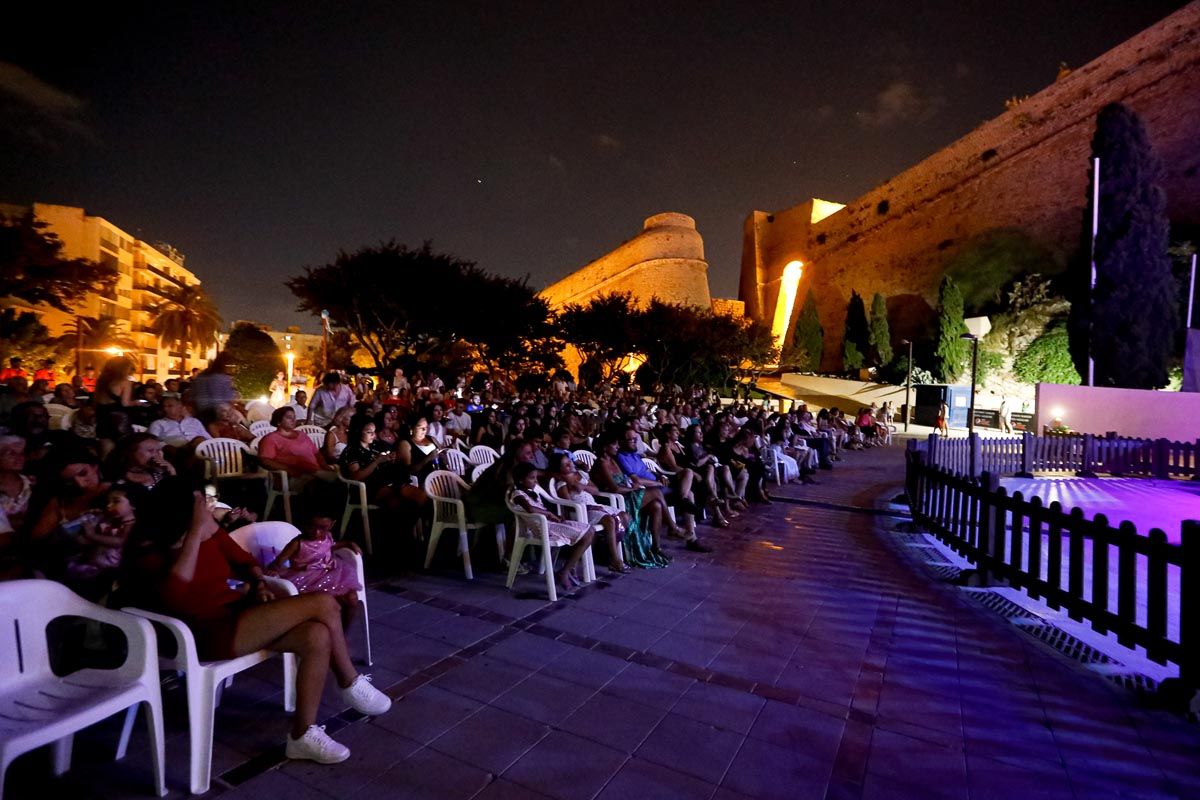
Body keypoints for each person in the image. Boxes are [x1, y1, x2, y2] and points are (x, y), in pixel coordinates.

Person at [123, 482, 390, 764]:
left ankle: (302, 735)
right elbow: (175, 596)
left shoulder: (209, 529)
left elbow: (243, 559)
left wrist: (258, 580)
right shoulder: (148, 545)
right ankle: (349, 681)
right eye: (202, 504)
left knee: (316, 635)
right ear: (181, 513)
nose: (208, 509)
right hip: (198, 633)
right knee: (323, 603)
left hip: (233, 613)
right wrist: (194, 534)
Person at [507, 463, 594, 592]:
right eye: (532, 478)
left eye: (536, 477)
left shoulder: (531, 492)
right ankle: (565, 571)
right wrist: (548, 514)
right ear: (520, 480)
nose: (536, 481)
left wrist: (556, 516)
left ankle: (568, 568)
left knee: (590, 530)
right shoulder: (518, 494)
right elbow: (530, 509)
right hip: (543, 529)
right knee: (586, 534)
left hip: (550, 524)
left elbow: (540, 508)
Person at [265, 511, 362, 626]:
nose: (316, 533)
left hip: (331, 574)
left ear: (331, 525)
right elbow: (277, 562)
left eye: (323, 528)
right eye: (311, 527)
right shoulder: (297, 543)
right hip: (307, 580)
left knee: (352, 598)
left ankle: (344, 633)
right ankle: (325, 631)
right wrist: (274, 569)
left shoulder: (328, 536)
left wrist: (348, 543)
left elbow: (331, 546)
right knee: (327, 604)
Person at [590, 434, 671, 568]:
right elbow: (614, 488)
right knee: (656, 492)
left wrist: (632, 487)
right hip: (616, 500)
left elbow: (623, 480)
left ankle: (657, 547)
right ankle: (672, 527)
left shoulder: (613, 460)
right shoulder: (601, 463)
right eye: (614, 444)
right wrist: (632, 490)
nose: (617, 447)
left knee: (656, 505)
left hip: (626, 494)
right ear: (605, 448)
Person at [551, 453, 628, 574]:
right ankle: (615, 559)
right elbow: (568, 505)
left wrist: (580, 486)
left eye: (569, 462)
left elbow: (596, 491)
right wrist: (572, 487)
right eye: (565, 465)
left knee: (624, 516)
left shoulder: (581, 474)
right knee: (610, 520)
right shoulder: (562, 483)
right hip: (581, 511)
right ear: (559, 469)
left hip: (595, 506)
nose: (570, 465)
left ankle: (608, 552)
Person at [111, 432, 177, 489]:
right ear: (130, 452)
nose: (156, 455)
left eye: (158, 450)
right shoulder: (117, 481)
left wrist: (172, 473)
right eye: (150, 450)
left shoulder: (161, 473)